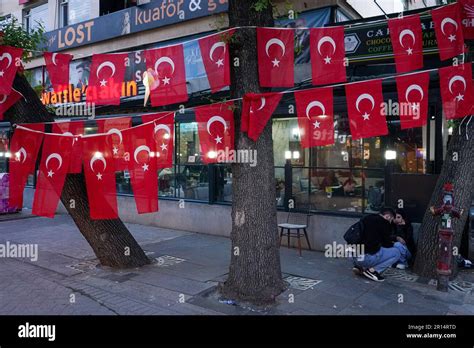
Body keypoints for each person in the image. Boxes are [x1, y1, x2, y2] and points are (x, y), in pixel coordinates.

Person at [352, 207, 401, 282]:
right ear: (387, 216)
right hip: (366, 258)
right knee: (396, 253)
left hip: (354, 256)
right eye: (391, 220)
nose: (390, 222)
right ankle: (373, 271)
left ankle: (360, 267)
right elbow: (387, 244)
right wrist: (394, 243)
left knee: (373, 248)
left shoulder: (366, 218)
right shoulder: (384, 223)